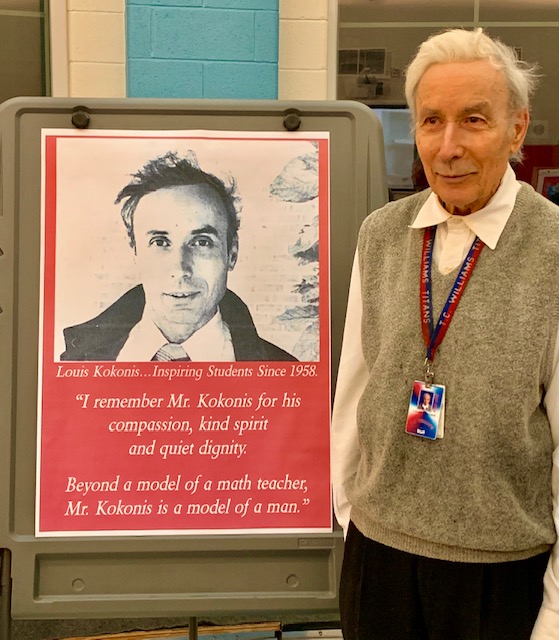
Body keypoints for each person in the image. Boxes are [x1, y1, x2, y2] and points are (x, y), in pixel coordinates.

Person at [331, 28, 559, 640]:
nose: (449, 146)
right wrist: (354, 515)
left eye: (474, 120)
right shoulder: (381, 234)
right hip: (378, 560)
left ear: (516, 130)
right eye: (432, 121)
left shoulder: (554, 250)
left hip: (500, 576)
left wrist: (556, 613)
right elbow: (353, 392)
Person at [61, 151, 296, 362]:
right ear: (136, 252)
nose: (181, 269)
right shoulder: (77, 361)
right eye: (160, 242)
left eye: (202, 242)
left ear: (231, 253)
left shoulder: (285, 371)